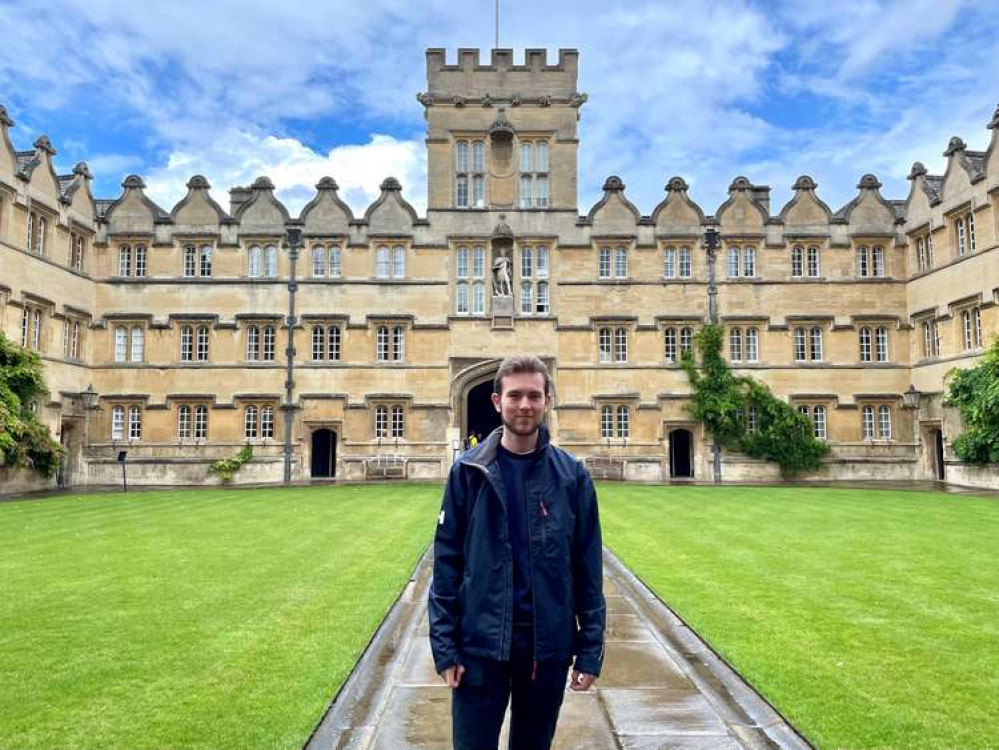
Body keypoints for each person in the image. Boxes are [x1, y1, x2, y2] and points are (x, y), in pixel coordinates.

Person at [429, 355, 605, 750]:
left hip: (546, 649)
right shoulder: (467, 472)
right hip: (480, 646)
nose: (524, 405)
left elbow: (587, 568)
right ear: (497, 402)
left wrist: (590, 650)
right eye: (514, 396)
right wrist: (445, 647)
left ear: (547, 401)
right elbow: (446, 564)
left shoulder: (572, 477)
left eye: (533, 396)